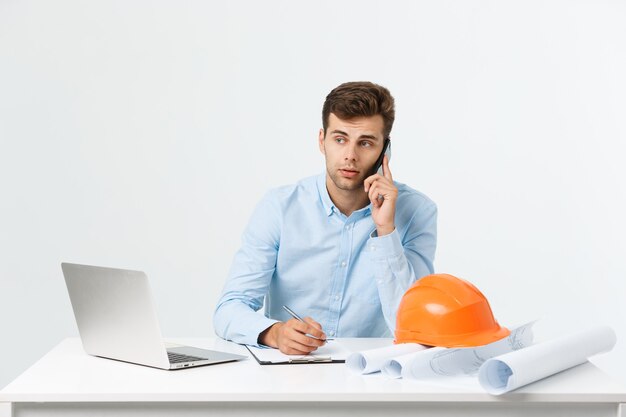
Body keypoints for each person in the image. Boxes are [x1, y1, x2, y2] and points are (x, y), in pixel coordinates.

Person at [213, 81, 437, 355]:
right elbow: (229, 309)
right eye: (340, 139)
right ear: (322, 140)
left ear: (384, 151)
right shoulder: (280, 207)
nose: (350, 156)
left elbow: (417, 327)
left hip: (372, 374)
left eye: (365, 143)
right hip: (290, 373)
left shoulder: (417, 212)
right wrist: (274, 333)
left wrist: (386, 231)